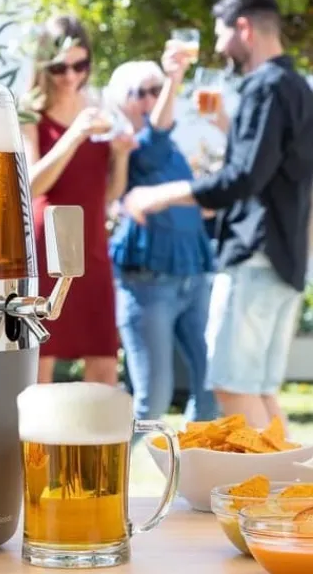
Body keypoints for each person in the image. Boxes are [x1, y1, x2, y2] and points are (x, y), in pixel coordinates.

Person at [122, 0, 313, 429]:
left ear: (244, 28)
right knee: (258, 390)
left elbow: (242, 178)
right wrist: (228, 126)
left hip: (255, 256)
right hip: (284, 259)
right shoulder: (298, 87)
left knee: (231, 387)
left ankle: (267, 477)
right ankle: (289, 475)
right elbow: (271, 173)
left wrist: (161, 194)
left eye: (222, 34)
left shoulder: (266, 86)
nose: (220, 47)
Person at [21, 15, 135, 385]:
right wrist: (75, 134)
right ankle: (35, 427)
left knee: (104, 358)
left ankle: (96, 427)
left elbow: (110, 193)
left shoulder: (100, 107)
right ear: (44, 65)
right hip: (47, 244)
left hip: (92, 245)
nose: (70, 76)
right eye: (60, 67)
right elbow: (31, 184)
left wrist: (122, 156)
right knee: (40, 356)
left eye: (80, 65)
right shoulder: (31, 112)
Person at [107, 59, 218, 424]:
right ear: (122, 101)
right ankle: (110, 461)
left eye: (157, 90)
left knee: (212, 390)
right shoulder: (128, 147)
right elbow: (154, 135)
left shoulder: (174, 150)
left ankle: (189, 463)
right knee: (152, 403)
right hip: (148, 283)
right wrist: (174, 77)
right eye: (141, 92)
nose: (152, 99)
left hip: (194, 276)